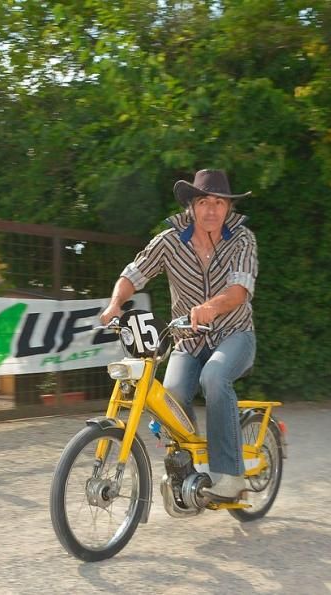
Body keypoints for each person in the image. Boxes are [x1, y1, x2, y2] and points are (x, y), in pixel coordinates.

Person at [99, 169, 257, 499]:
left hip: (235, 334)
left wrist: (211, 307)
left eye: (219, 202)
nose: (211, 210)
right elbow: (134, 273)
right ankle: (186, 474)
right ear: (191, 206)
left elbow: (239, 291)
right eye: (204, 202)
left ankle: (230, 476)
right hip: (188, 340)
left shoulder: (243, 239)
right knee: (169, 396)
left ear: (228, 207)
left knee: (215, 377)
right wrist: (115, 303)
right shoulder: (169, 241)